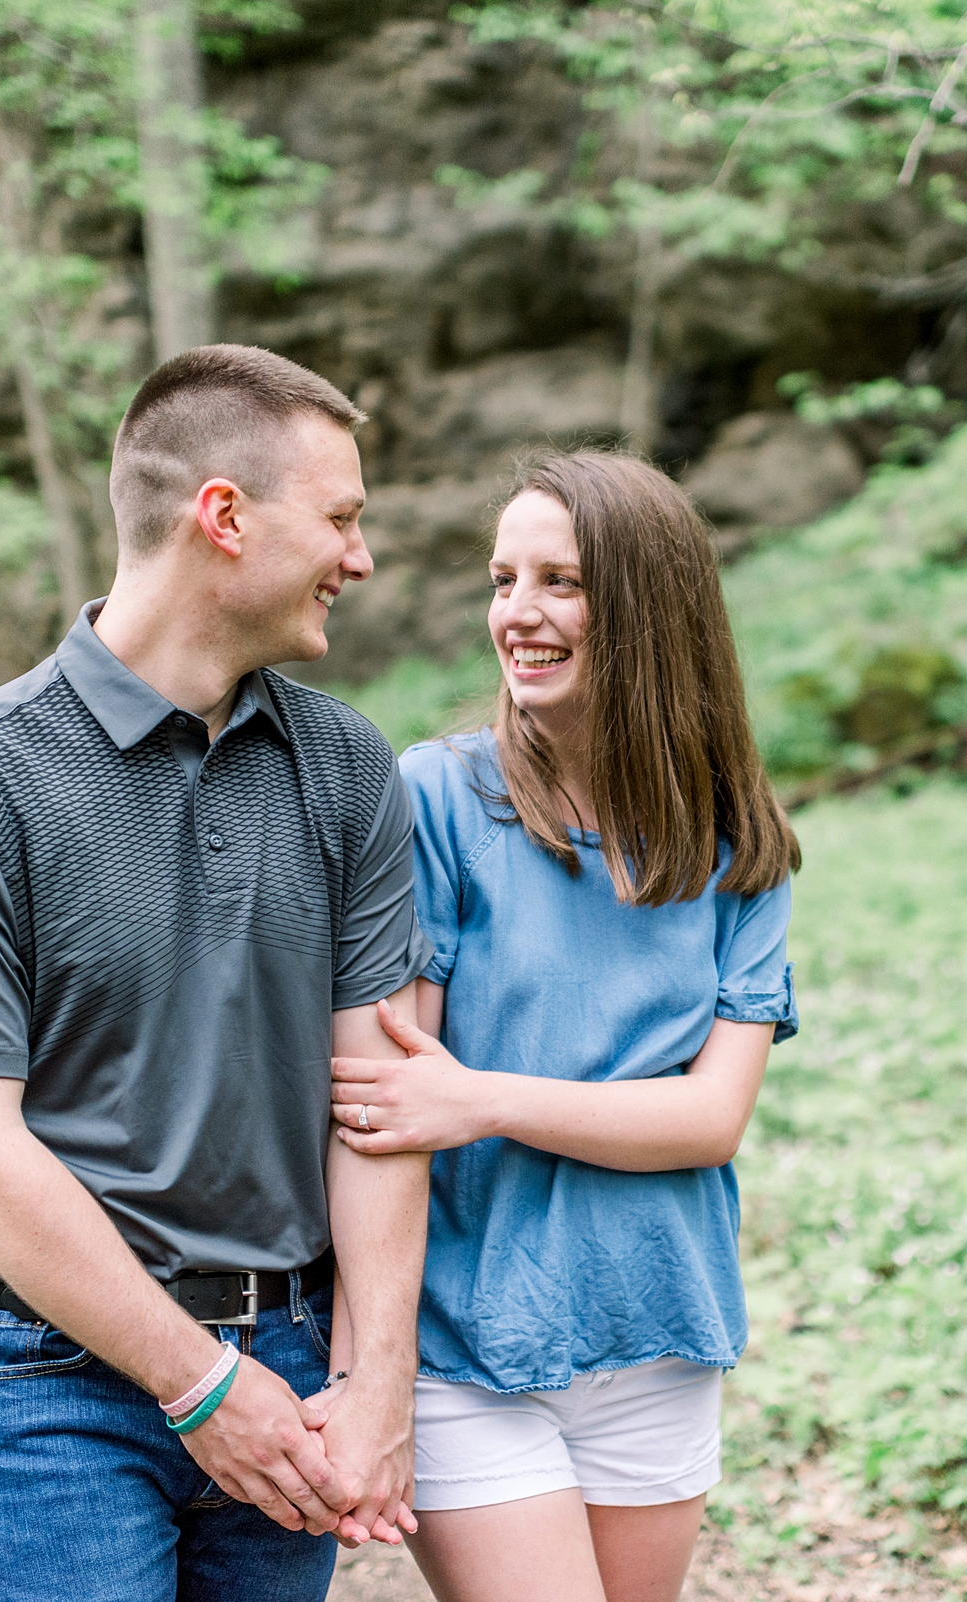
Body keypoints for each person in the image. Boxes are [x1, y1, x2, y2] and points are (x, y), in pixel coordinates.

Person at [0, 345, 436, 1602]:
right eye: (340, 518)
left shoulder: (345, 767)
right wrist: (194, 1381)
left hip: (289, 1361)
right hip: (39, 1379)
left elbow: (379, 1100)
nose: (362, 556)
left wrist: (377, 1378)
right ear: (223, 517)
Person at [326, 450, 801, 1602]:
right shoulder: (437, 799)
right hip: (467, 1339)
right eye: (503, 580)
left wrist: (483, 1098)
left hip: (657, 1324)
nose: (518, 615)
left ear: (648, 608)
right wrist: (362, 1374)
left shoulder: (737, 841)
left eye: (560, 582)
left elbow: (708, 1119)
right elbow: (385, 1113)